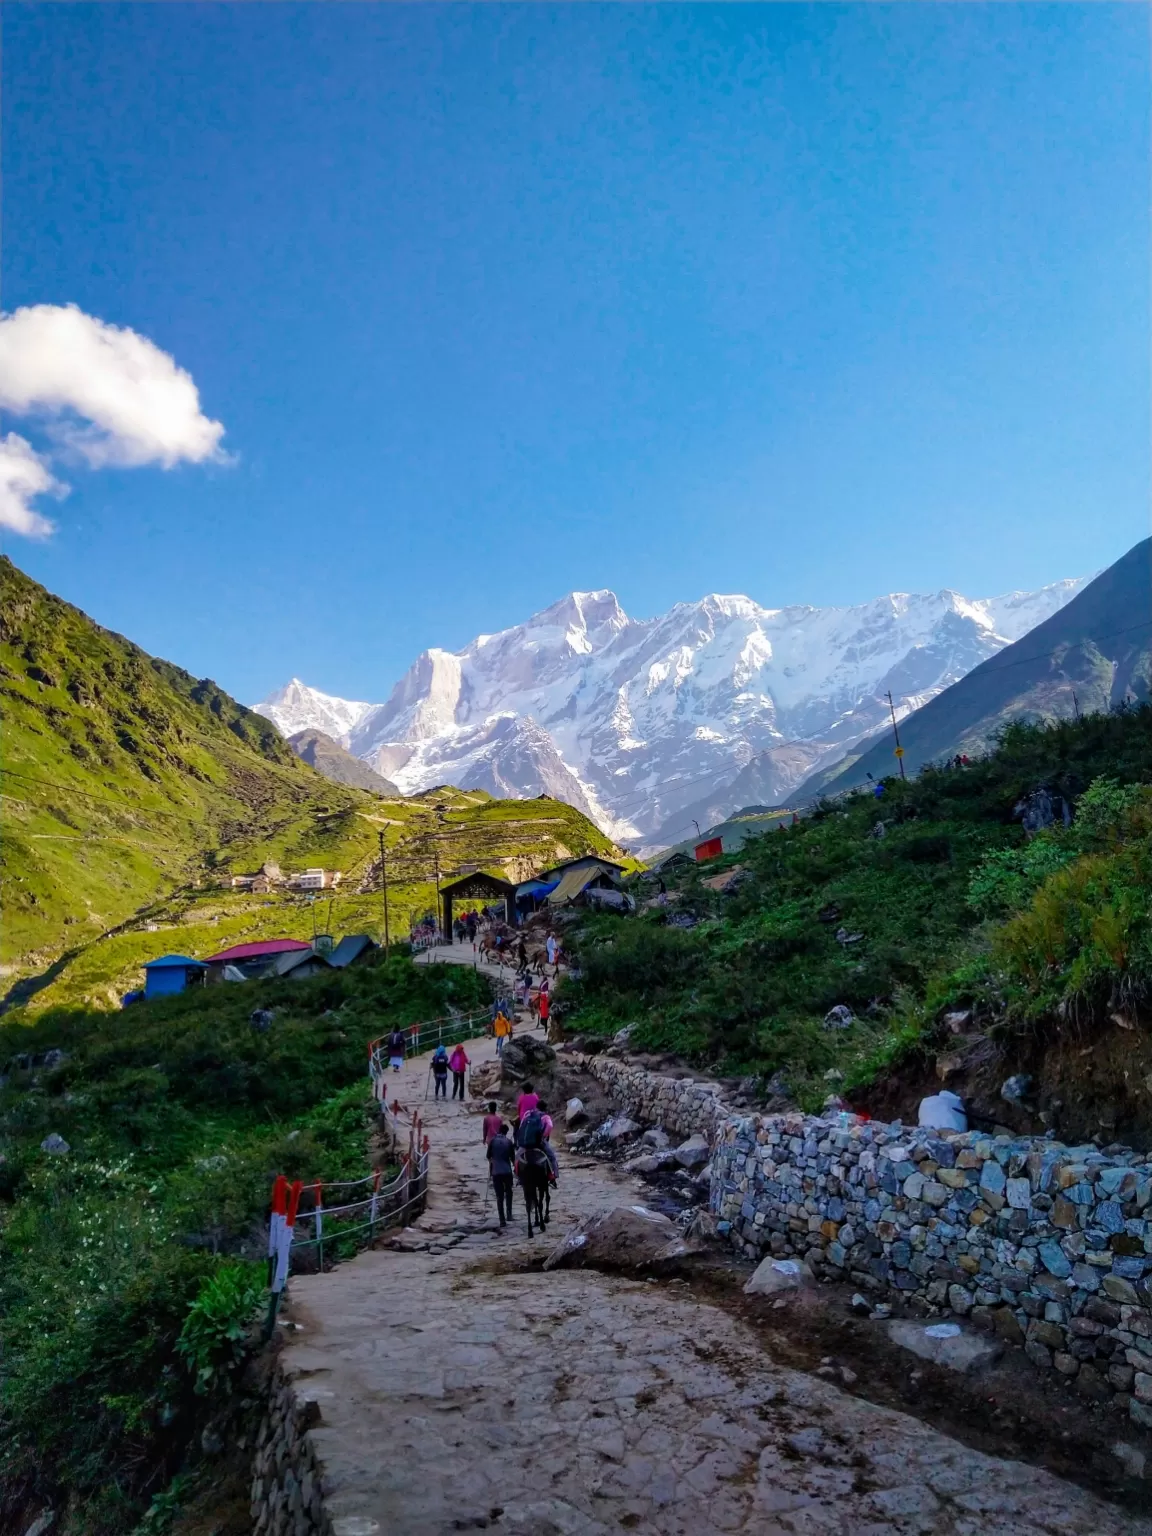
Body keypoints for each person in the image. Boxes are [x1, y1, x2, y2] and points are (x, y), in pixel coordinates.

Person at [487, 1121, 516, 1227]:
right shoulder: (508, 1142)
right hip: (507, 1171)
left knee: (499, 1197)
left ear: (499, 1131)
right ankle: (509, 1215)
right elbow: (513, 1158)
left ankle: (502, 1220)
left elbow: (488, 1156)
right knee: (509, 1193)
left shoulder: (492, 1141)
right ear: (506, 1132)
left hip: (496, 1172)